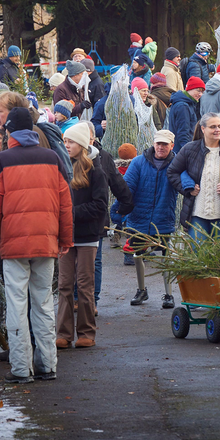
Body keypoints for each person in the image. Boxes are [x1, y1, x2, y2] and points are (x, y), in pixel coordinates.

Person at [0, 107, 73, 383]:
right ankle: (47, 365)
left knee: (16, 305)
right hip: (46, 242)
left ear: (10, 131)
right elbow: (65, 204)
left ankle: (21, 368)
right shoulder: (52, 158)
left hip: (13, 246)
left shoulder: (2, 161)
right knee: (44, 302)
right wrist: (65, 239)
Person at [57, 123, 108, 349]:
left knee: (85, 285)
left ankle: (87, 332)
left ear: (82, 144)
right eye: (65, 141)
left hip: (87, 235)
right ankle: (63, 333)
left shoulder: (96, 170)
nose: (66, 145)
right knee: (65, 284)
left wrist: (70, 213)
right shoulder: (60, 166)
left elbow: (100, 206)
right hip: (65, 236)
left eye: (71, 142)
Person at [167, 113, 220, 239]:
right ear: (203, 129)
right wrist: (187, 189)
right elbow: (173, 172)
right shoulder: (189, 149)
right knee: (198, 254)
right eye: (213, 127)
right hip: (196, 214)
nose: (217, 130)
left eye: (219, 126)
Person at [123, 130, 179, 308]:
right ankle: (141, 290)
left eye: (165, 144)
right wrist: (119, 209)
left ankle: (168, 294)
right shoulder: (139, 162)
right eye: (158, 144)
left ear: (172, 145)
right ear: (153, 144)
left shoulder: (177, 164)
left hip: (163, 217)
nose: (161, 147)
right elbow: (127, 186)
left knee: (165, 255)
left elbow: (183, 181)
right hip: (139, 217)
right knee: (137, 253)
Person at [83, 122, 133, 309]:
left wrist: (126, 204)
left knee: (94, 260)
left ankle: (92, 301)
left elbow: (117, 183)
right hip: (72, 219)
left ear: (93, 138)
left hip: (96, 219)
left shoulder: (103, 158)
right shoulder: (67, 156)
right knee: (72, 262)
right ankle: (74, 299)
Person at [167, 76, 205, 154]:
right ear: (189, 89)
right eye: (198, 90)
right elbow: (183, 132)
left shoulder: (188, 104)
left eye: (202, 92)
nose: (200, 94)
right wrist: (188, 152)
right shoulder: (183, 106)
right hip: (181, 150)